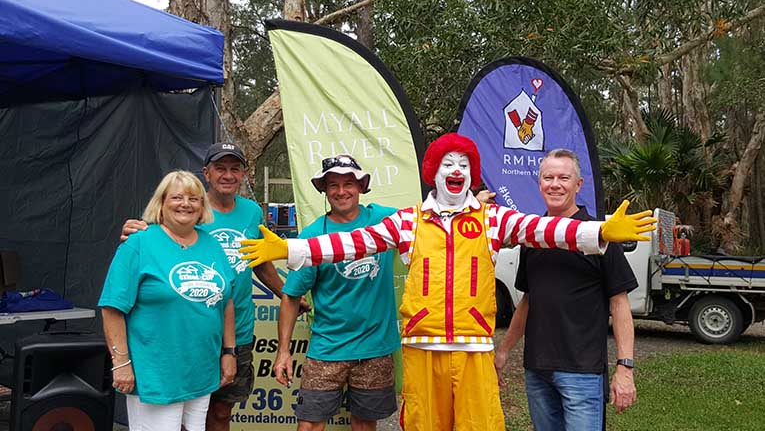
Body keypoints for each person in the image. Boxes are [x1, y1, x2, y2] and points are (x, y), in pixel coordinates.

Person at [241, 133, 656, 431]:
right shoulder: (408, 221)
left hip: (473, 350)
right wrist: (290, 249)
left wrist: (598, 232)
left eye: (463, 165)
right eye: (447, 164)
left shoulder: (493, 219)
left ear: (471, 174)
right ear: (433, 172)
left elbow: (544, 230)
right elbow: (348, 243)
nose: (455, 171)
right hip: (423, 350)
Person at [120, 142, 307, 431]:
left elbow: (259, 261)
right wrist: (136, 230)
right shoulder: (190, 210)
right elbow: (155, 239)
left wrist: (285, 293)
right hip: (191, 332)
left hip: (238, 329)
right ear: (206, 173)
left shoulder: (251, 212)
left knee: (220, 411)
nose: (228, 175)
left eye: (235, 169)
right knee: (180, 412)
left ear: (244, 174)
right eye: (220, 168)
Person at [494, 149, 638, 430]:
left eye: (563, 178)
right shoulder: (532, 237)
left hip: (582, 372)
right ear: (539, 184)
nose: (555, 185)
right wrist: (504, 350)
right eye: (548, 178)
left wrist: (625, 367)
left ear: (578, 184)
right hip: (537, 370)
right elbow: (528, 301)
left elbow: (619, 304)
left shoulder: (600, 236)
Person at [100, 170, 236, 431]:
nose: (186, 204)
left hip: (201, 369)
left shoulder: (212, 244)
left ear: (202, 206)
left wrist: (229, 352)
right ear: (161, 203)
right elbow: (112, 308)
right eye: (177, 197)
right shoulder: (138, 243)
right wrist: (121, 363)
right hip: (156, 371)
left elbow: (226, 302)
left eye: (194, 199)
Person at [276, 154, 399, 430]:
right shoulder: (311, 236)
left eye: (348, 183)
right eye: (333, 185)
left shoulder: (384, 220)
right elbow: (291, 296)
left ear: (361, 186)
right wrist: (283, 351)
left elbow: (430, 219)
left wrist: (473, 203)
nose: (341, 191)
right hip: (328, 349)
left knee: (365, 425)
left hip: (375, 348)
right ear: (324, 189)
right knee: (308, 425)